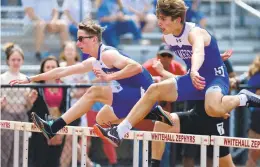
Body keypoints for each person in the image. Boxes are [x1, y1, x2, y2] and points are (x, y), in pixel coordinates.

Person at [93, 0, 260, 156]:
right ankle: (119, 131)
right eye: (158, 18)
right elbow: (197, 54)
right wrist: (211, 57)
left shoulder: (195, 32)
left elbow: (198, 52)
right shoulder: (167, 37)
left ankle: (243, 97)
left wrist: (195, 69)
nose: (159, 23)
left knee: (213, 108)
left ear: (178, 19)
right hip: (194, 78)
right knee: (154, 90)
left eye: (163, 19)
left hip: (214, 78)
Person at [10, 19, 171, 141]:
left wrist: (110, 77)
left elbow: (136, 67)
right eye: (77, 39)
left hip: (144, 94)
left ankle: (54, 127)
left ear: (94, 39)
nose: (78, 42)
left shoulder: (107, 54)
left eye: (81, 39)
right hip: (135, 97)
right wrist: (31, 78)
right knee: (102, 119)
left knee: (94, 91)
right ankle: (150, 114)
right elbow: (63, 70)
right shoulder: (95, 60)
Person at [1, 43, 37, 167]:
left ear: (22, 61)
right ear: (8, 61)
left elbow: (27, 107)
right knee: (4, 151)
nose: (16, 62)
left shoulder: (25, 79)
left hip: (22, 116)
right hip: (6, 115)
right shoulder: (2, 78)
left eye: (18, 60)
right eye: (13, 60)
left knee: (21, 151)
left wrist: (30, 101)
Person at [28, 56, 67, 167]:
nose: (50, 69)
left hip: (59, 127)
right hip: (40, 130)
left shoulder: (64, 86)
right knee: (40, 160)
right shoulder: (37, 87)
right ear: (43, 70)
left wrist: (59, 131)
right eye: (47, 67)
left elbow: (66, 108)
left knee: (54, 161)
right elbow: (32, 111)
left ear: (58, 69)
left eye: (53, 67)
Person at [245, 55, 260, 167]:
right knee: (253, 155)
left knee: (252, 155)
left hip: (255, 117)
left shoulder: (253, 75)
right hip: (256, 117)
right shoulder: (254, 75)